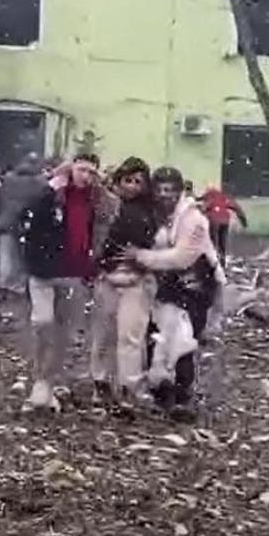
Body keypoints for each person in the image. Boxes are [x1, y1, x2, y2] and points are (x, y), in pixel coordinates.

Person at [124, 166, 225, 417]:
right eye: (159, 189)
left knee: (184, 339)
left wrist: (141, 257)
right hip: (166, 285)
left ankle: (182, 396)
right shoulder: (155, 215)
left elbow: (183, 257)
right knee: (157, 336)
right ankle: (162, 391)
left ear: (179, 192)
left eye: (170, 190)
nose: (164, 195)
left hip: (196, 284)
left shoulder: (193, 219)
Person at [20, 153, 117, 411]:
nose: (86, 176)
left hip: (75, 273)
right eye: (81, 170)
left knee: (63, 334)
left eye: (91, 172)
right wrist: (53, 183)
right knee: (43, 323)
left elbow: (109, 217)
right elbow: (29, 214)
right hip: (43, 272)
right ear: (71, 169)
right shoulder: (53, 194)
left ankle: (48, 381)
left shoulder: (95, 200)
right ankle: (41, 379)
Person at [93, 157, 157, 402]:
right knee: (104, 333)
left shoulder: (151, 212)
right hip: (106, 276)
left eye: (138, 182)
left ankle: (129, 386)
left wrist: (140, 262)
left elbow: (156, 245)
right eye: (127, 180)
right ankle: (100, 381)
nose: (132, 186)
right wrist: (99, 266)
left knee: (131, 336)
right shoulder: (106, 206)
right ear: (119, 181)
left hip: (136, 280)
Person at [0, 155, 43, 291]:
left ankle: (4, 281)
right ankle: (20, 283)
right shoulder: (39, 182)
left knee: (6, 253)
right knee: (22, 255)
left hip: (6, 222)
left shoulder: (8, 180)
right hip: (26, 224)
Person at [200, 184, 247, 265]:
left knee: (213, 243)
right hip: (225, 221)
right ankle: (222, 262)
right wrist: (244, 222)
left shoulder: (209, 196)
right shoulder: (224, 197)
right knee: (222, 243)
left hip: (214, 222)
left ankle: (214, 262)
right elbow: (237, 208)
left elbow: (203, 207)